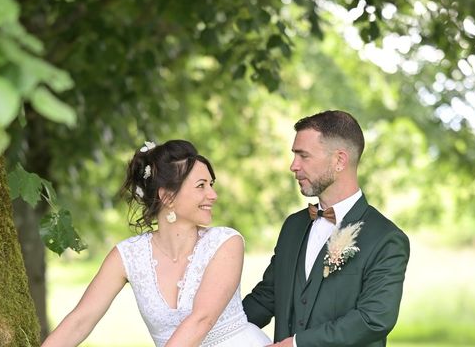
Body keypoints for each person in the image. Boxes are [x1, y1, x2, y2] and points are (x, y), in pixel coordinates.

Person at [41, 139, 271, 347]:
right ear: (167, 196)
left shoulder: (226, 242)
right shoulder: (128, 255)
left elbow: (202, 320)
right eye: (201, 186)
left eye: (211, 184)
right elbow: (80, 321)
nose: (213, 195)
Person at [243, 110, 410, 347]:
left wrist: (296, 344)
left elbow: (373, 319)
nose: (293, 166)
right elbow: (266, 297)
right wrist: (207, 328)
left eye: (303, 156)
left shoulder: (386, 238)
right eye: (294, 156)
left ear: (339, 160)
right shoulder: (293, 226)